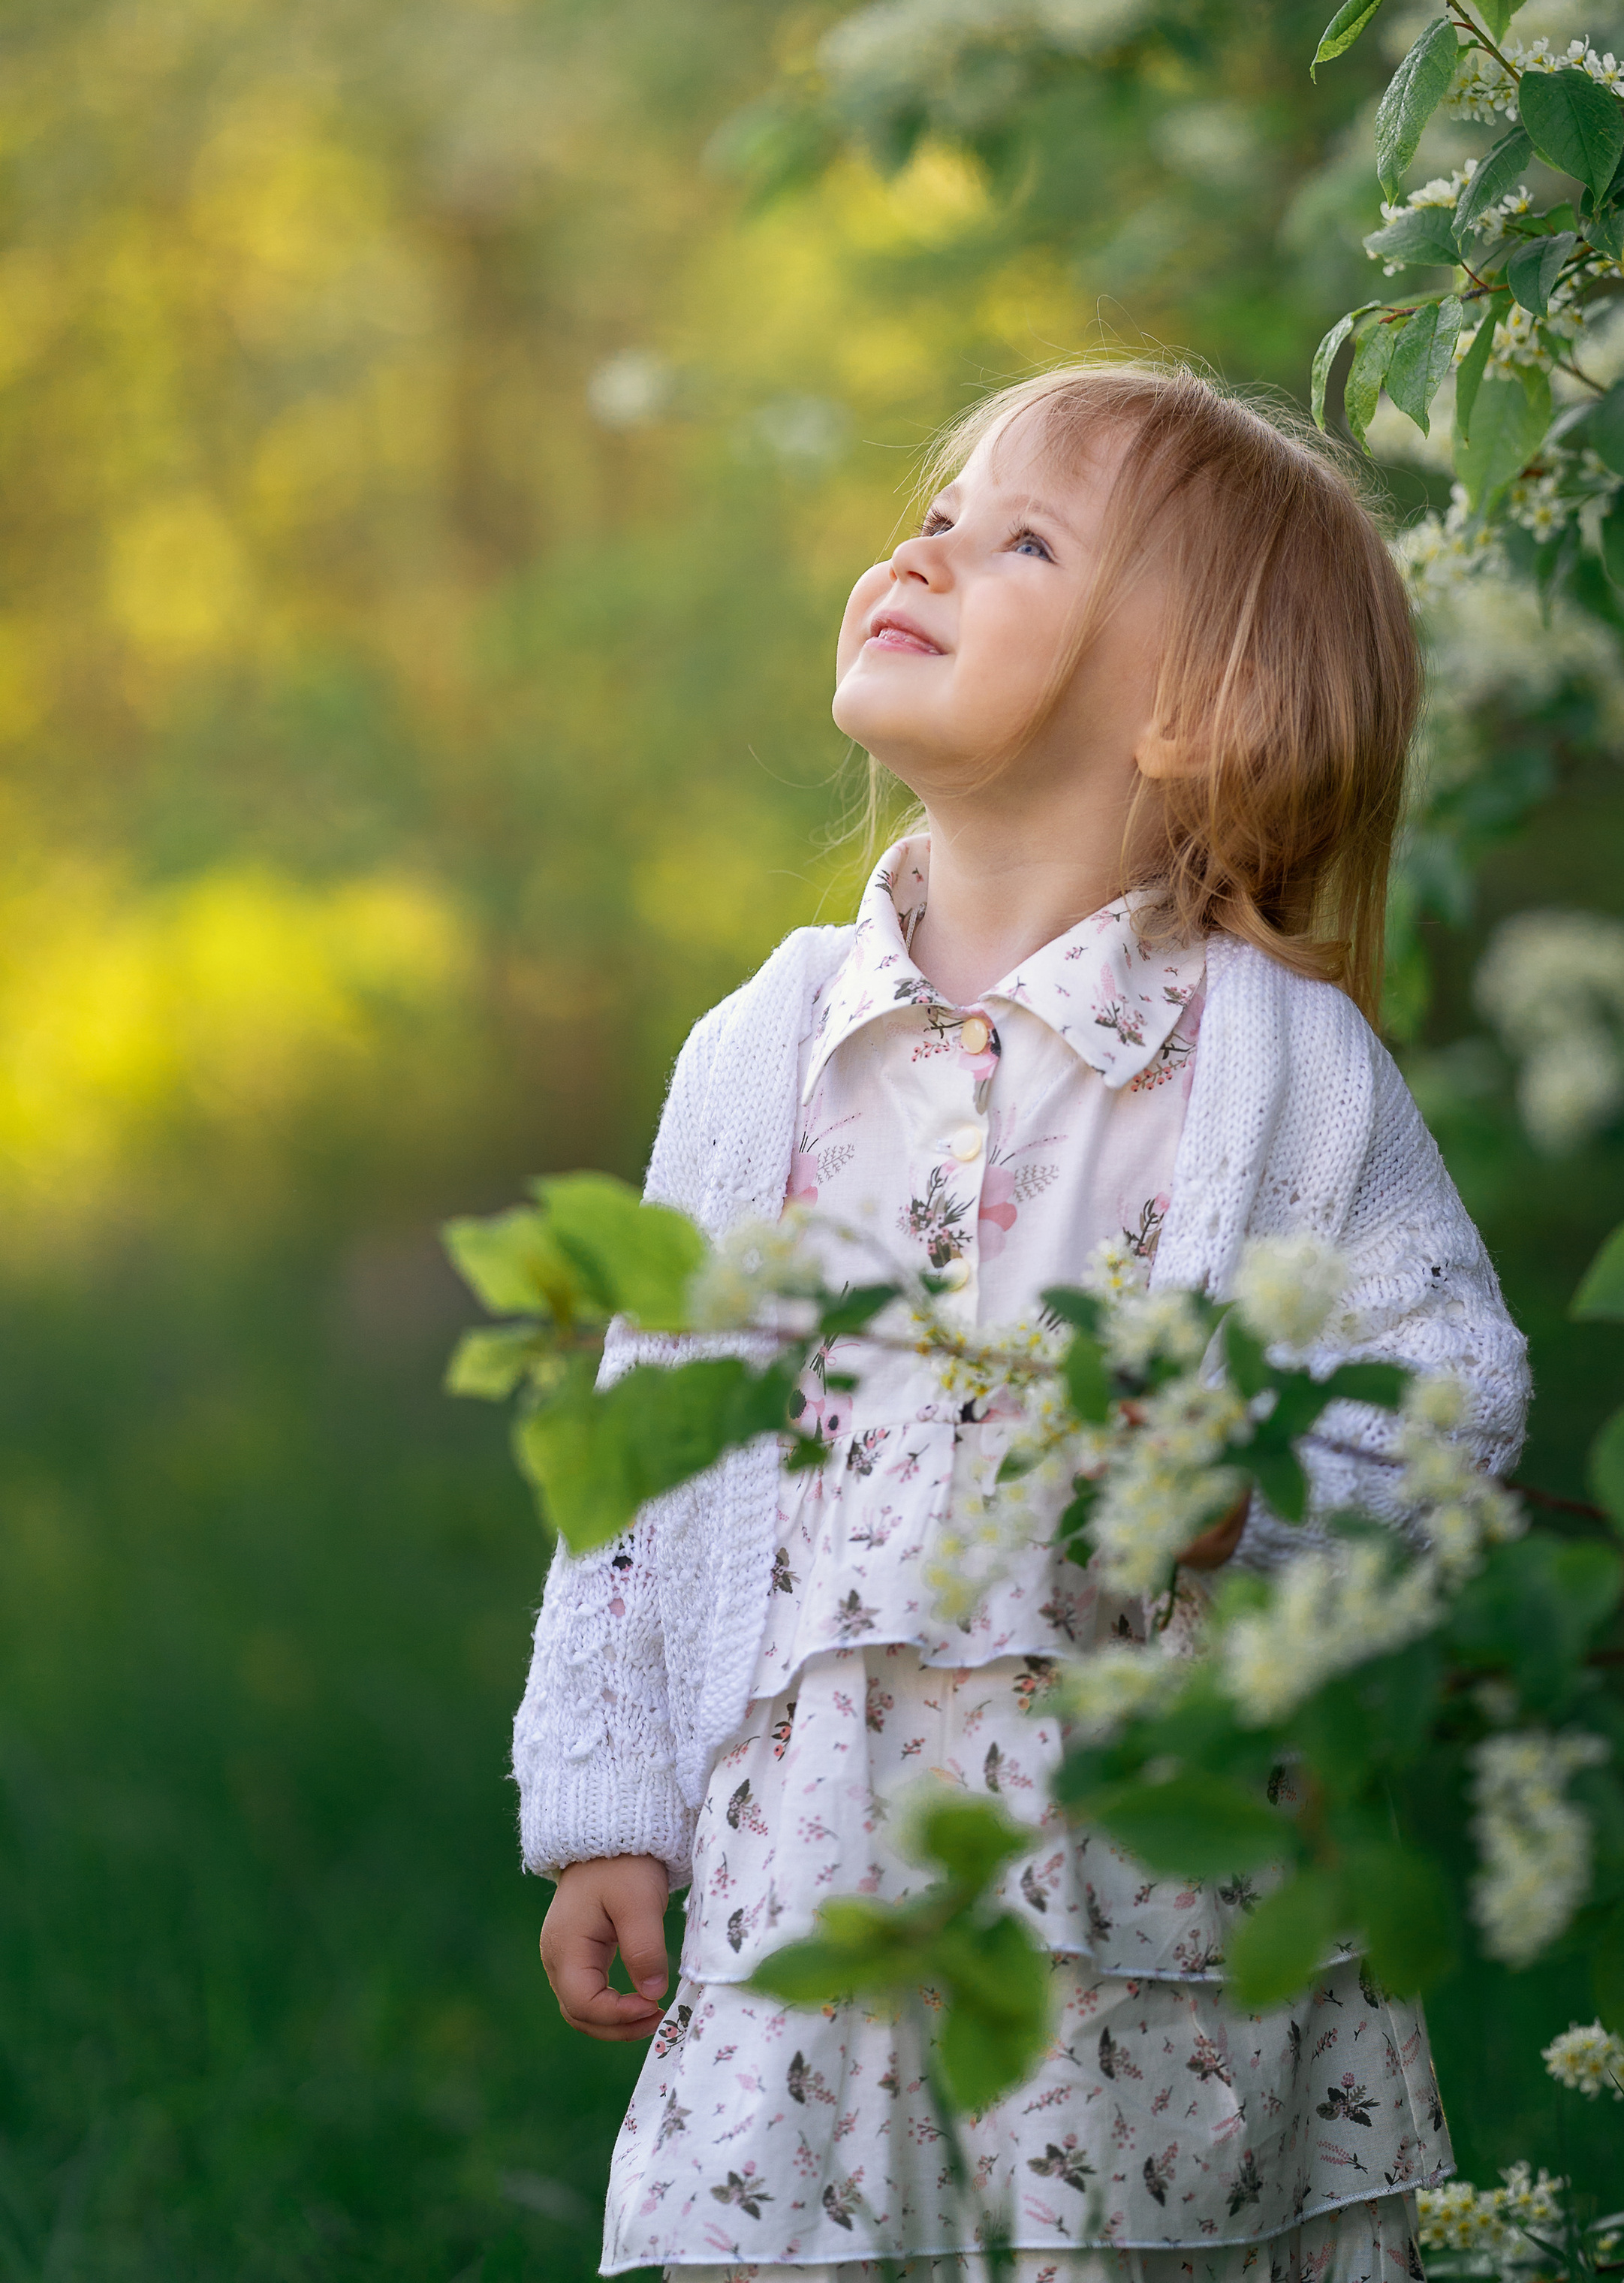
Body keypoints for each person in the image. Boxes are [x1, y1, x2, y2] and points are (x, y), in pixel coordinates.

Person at [511, 360, 1529, 2283]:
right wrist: (604, 1806)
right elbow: (644, 1444)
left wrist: (1260, 1486)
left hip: (1138, 1903)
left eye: (1020, 539)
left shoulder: (1271, 1072)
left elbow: (1449, 1400)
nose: (926, 549)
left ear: (1191, 711)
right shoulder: (762, 1054)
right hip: (799, 1880)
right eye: (940, 512)